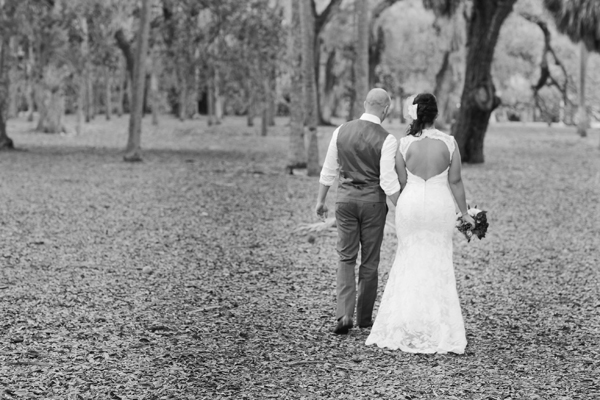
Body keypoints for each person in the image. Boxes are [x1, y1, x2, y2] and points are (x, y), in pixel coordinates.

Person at [365, 93, 474, 354]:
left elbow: (401, 182)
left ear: (416, 114)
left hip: (411, 205)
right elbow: (456, 182)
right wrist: (465, 213)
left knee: (408, 259)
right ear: (435, 114)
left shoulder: (404, 144)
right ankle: (439, 327)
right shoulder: (449, 143)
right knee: (438, 261)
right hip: (439, 206)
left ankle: (404, 323)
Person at [315, 88, 401, 335]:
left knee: (345, 256)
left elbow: (329, 169)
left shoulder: (340, 131)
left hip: (345, 202)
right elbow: (387, 180)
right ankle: (364, 317)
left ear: (365, 104)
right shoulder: (387, 139)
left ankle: (343, 314)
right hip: (373, 204)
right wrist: (403, 206)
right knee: (370, 261)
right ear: (386, 109)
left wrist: (321, 201)